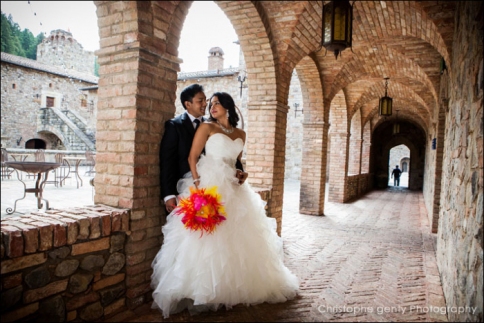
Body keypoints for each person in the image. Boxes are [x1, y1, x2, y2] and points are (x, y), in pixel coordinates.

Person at [151, 92, 299, 318]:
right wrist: (199, 186)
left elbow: (236, 161)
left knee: (236, 236)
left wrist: (242, 172)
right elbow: (192, 158)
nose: (212, 107)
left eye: (217, 103)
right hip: (209, 184)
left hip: (234, 188)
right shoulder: (206, 128)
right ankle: (202, 289)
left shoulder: (241, 133)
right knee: (207, 238)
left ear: (228, 106)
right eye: (210, 104)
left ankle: (233, 288)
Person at [159, 84, 247, 213]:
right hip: (190, 185)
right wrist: (169, 195)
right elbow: (168, 162)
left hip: (227, 184)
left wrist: (240, 171)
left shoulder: (212, 125)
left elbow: (233, 157)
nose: (206, 105)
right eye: (201, 101)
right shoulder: (175, 126)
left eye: (207, 101)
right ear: (188, 104)